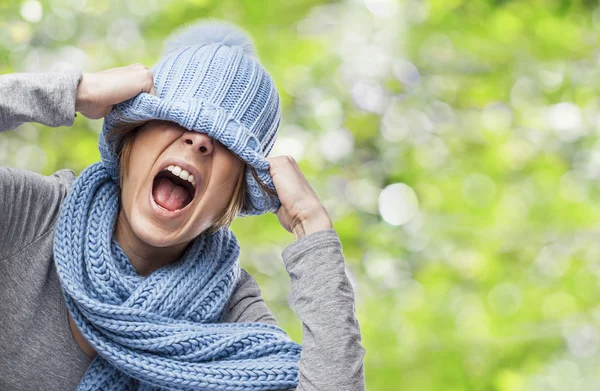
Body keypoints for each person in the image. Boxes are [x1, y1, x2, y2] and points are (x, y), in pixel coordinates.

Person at [0, 20, 366, 390]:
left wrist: (313, 229)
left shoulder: (233, 315)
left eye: (226, 140)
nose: (198, 141)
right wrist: (70, 92)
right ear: (131, 137)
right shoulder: (31, 215)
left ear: (234, 193)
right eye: (177, 116)